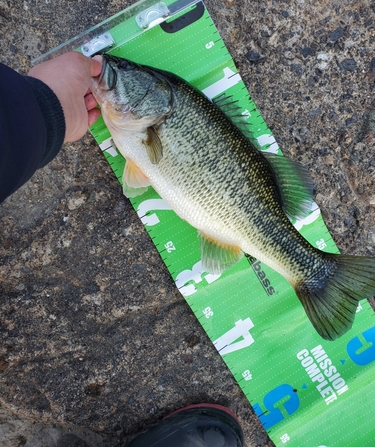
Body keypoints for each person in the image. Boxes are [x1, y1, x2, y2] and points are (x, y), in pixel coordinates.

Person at [0, 52, 244, 446]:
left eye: (128, 76)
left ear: (157, 102)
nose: (113, 72)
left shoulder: (153, 121)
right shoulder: (143, 124)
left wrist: (40, 106)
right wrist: (36, 109)